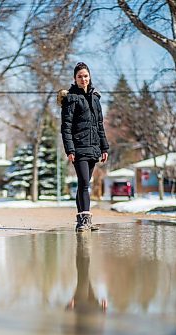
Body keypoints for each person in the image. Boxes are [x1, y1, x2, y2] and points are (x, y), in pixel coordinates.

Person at [58, 62, 109, 232]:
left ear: (90, 77)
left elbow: (99, 125)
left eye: (85, 76)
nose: (83, 79)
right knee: (84, 182)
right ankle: (84, 220)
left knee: (84, 183)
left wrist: (104, 147)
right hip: (79, 147)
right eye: (80, 76)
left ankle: (84, 219)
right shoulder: (71, 99)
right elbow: (66, 127)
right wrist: (70, 149)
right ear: (75, 78)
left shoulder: (95, 99)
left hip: (93, 147)